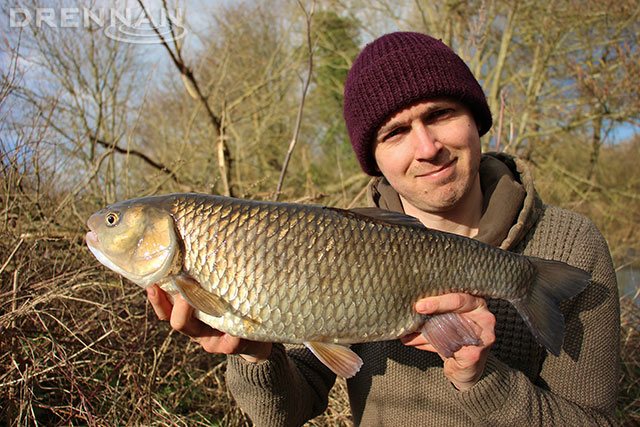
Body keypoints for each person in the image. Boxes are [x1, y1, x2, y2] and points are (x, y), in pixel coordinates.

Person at [146, 32, 620, 425]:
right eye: (395, 133)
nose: (427, 147)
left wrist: (483, 382)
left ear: (475, 118)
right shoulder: (327, 242)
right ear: (373, 160)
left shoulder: (572, 246)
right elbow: (289, 411)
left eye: (439, 114)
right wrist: (255, 353)